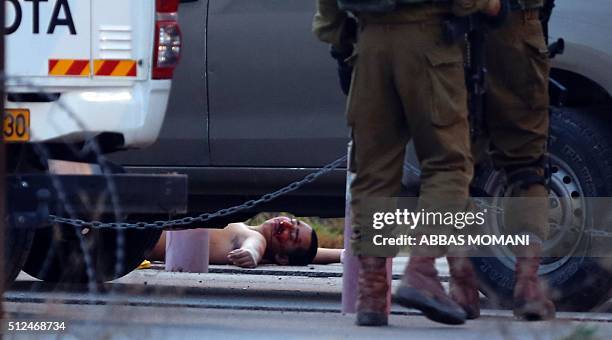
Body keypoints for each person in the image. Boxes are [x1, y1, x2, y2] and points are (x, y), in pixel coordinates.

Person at [314, 0, 503, 327]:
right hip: (428, 42)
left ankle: (372, 292)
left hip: (369, 45)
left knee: (373, 171)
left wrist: (341, 39)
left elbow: (329, 16)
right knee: (448, 164)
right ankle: (422, 269)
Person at [449, 0, 555, 321]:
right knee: (527, 163)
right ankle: (527, 284)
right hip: (515, 23)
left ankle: (461, 285)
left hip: (452, 29)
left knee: (450, 164)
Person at [151, 216, 342, 268]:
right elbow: (309, 255)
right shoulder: (249, 230)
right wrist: (343, 254)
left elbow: (253, 246)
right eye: (293, 222)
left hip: (147, 239)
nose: (285, 224)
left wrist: (250, 254)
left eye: (291, 235)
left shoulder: (255, 238)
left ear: (282, 257)